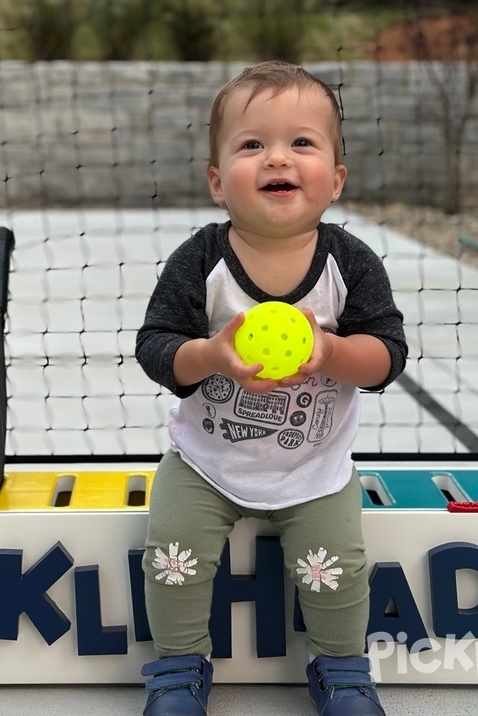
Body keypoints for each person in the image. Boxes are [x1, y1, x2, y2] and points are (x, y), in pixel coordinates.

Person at [134, 60, 407, 716]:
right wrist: (210, 355)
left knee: (335, 566)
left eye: (301, 143)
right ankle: (177, 669)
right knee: (171, 553)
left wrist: (332, 351)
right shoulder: (201, 261)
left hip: (313, 467)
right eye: (252, 144)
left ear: (335, 179)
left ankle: (341, 669)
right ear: (216, 180)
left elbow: (388, 356)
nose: (277, 158)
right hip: (207, 461)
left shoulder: (349, 263)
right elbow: (155, 348)